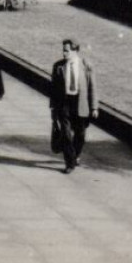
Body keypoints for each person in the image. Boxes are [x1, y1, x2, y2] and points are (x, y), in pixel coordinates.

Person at [49, 39, 98, 172]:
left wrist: (94, 107)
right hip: (64, 104)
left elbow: (92, 87)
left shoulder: (86, 65)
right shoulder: (58, 66)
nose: (64, 53)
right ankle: (69, 164)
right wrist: (53, 107)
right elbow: (53, 89)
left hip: (80, 103)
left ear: (75, 51)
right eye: (63, 50)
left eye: (67, 50)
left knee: (80, 135)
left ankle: (75, 155)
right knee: (66, 135)